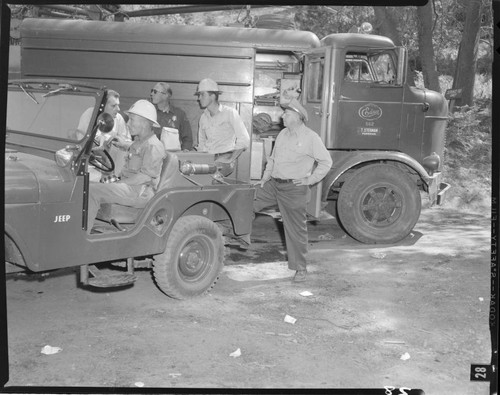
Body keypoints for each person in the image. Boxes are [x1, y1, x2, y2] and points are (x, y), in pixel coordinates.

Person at [252, 98, 333, 282]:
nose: (282, 116)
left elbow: (326, 162)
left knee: (295, 230)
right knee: (247, 200)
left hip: (294, 189)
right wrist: (265, 178)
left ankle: (300, 269)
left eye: (286, 114)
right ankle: (235, 236)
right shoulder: (282, 135)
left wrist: (309, 180)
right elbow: (272, 159)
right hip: (273, 184)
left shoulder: (311, 138)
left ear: (297, 116)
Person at [87, 100, 166, 233]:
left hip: (139, 191)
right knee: (85, 186)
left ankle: (82, 238)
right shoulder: (139, 142)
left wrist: (117, 183)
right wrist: (122, 144)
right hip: (129, 187)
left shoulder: (154, 146)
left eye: (132, 120)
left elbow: (144, 177)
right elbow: (133, 149)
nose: (128, 124)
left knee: (92, 193)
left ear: (145, 123)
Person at [77, 89, 132, 180]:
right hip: (92, 166)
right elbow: (82, 143)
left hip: (112, 167)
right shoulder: (89, 115)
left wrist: (117, 142)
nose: (118, 109)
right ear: (101, 106)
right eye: (113, 106)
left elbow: (126, 142)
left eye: (118, 105)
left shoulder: (118, 118)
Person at [195, 78, 250, 155]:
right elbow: (201, 143)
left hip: (225, 162)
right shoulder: (203, 118)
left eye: (202, 94)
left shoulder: (230, 113)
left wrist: (230, 158)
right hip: (208, 160)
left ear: (213, 96)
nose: (199, 98)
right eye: (199, 95)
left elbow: (244, 139)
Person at [150, 82, 193, 151]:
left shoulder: (180, 114)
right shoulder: (149, 113)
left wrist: (184, 152)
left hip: (172, 157)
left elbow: (187, 139)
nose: (151, 94)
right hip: (152, 156)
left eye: (155, 92)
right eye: (152, 91)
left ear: (166, 95)